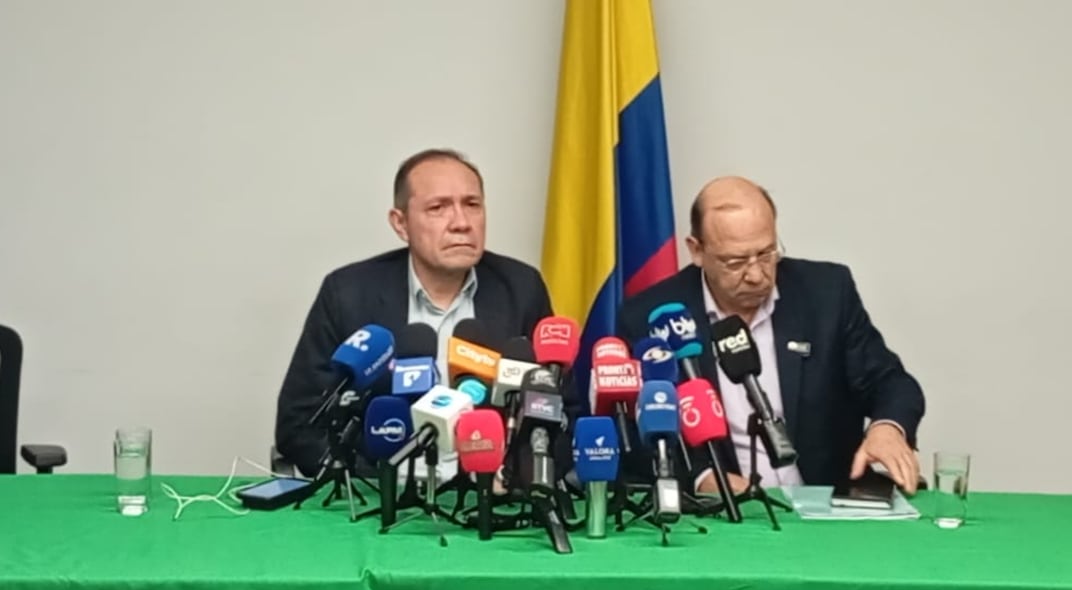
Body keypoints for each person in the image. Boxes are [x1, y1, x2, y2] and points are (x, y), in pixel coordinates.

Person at [617, 176, 925, 494]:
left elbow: (891, 383)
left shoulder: (827, 294)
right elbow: (634, 431)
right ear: (697, 251)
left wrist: (888, 428)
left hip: (825, 505)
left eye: (766, 254)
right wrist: (702, 478)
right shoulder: (651, 317)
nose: (756, 275)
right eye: (735, 262)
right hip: (726, 511)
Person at [275, 148, 555, 477]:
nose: (462, 223)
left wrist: (515, 477)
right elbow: (300, 423)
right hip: (382, 490)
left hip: (487, 491)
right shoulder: (348, 294)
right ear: (401, 223)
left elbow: (558, 411)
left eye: (472, 204)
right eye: (438, 208)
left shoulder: (521, 289)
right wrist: (376, 485)